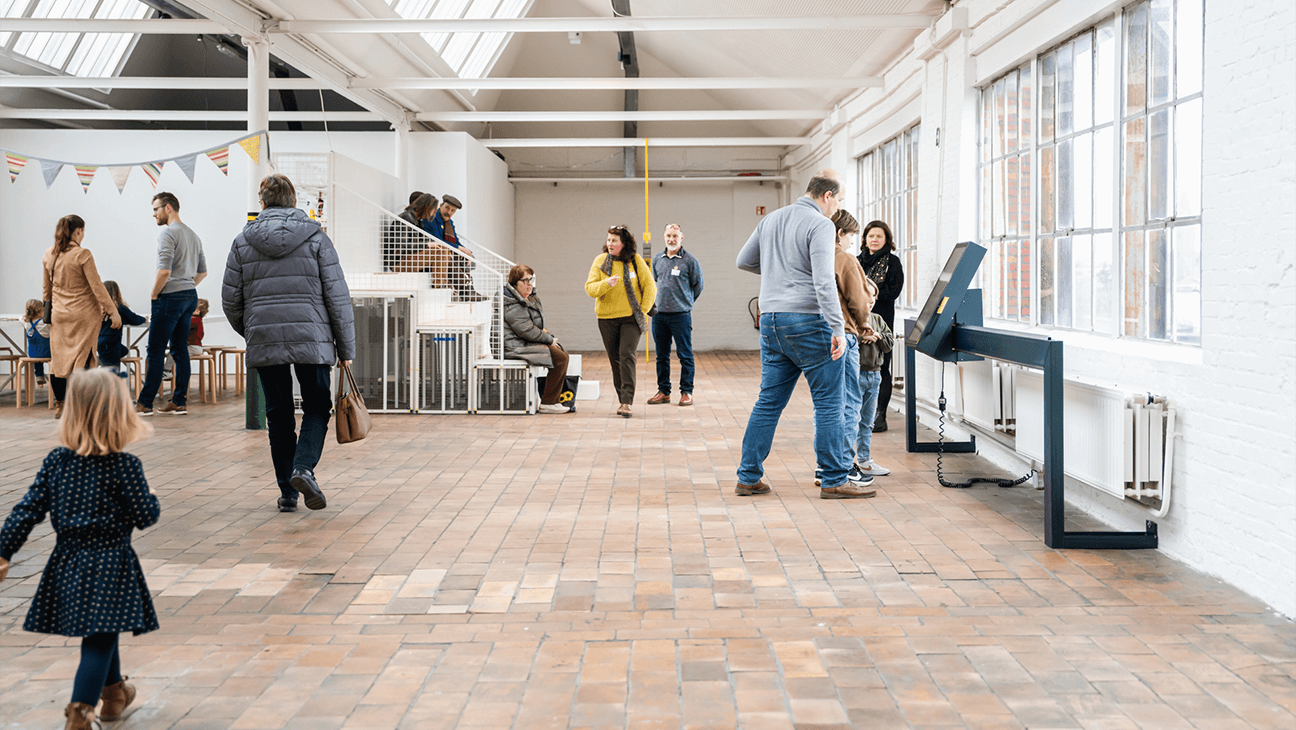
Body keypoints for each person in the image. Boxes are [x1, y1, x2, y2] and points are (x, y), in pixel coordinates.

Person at [0, 368, 158, 730]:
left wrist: (4, 550)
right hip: (111, 562)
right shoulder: (125, 466)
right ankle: (80, 712)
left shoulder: (57, 462)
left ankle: (115, 692)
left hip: (67, 561)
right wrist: (151, 499)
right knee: (100, 637)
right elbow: (145, 515)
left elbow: (28, 509)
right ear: (119, 414)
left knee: (103, 627)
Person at [734, 169, 874, 499]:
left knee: (768, 402)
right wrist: (837, 328)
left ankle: (748, 476)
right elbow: (824, 281)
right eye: (838, 200)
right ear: (826, 196)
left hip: (770, 321)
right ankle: (835, 479)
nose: (837, 208)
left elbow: (744, 261)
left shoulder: (771, 220)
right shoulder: (821, 224)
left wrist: (775, 270)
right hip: (810, 323)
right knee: (829, 403)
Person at [223, 174, 356, 513]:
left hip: (266, 339)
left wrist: (253, 330)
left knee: (278, 415)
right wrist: (346, 349)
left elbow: (230, 300)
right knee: (316, 407)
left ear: (263, 202)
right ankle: (303, 468)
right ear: (295, 202)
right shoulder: (316, 238)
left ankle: (287, 492)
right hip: (312, 338)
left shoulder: (242, 241)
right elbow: (337, 297)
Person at [812, 209, 875, 486]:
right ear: (841, 233)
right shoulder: (844, 258)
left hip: (817, 334)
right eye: (851, 236)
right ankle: (845, 466)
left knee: (825, 404)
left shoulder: (812, 256)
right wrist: (863, 326)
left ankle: (824, 467)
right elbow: (859, 301)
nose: (852, 242)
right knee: (849, 403)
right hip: (844, 334)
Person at [136, 192, 207, 417]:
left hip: (169, 297)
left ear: (168, 208)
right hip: (189, 296)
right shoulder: (193, 235)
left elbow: (164, 270)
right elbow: (203, 272)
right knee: (179, 350)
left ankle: (145, 403)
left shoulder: (168, 234)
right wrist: (186, 286)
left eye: (156, 209)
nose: (154, 214)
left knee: (155, 350)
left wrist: (154, 294)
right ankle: (179, 402)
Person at [43, 214, 120, 419]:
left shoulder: (49, 254)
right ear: (78, 231)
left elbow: (46, 290)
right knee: (83, 358)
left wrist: (48, 312)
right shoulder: (83, 254)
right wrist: (113, 311)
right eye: (83, 231)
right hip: (84, 315)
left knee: (58, 361)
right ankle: (81, 406)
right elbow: (97, 287)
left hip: (59, 315)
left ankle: (61, 404)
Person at [586, 225, 657, 418]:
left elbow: (650, 287)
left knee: (626, 355)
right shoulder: (600, 261)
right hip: (606, 318)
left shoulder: (635, 261)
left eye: (614, 240)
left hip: (630, 318)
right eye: (608, 240)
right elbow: (590, 288)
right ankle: (622, 398)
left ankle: (627, 402)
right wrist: (605, 284)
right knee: (614, 359)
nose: (610, 244)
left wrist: (641, 310)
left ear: (624, 243)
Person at [647, 223, 704, 407]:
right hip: (659, 315)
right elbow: (655, 281)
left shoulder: (690, 261)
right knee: (661, 356)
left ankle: (686, 392)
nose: (671, 239)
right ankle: (664, 391)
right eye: (668, 236)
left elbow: (698, 285)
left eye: (675, 236)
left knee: (685, 355)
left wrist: (685, 302)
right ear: (664, 237)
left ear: (681, 237)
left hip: (681, 315)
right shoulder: (657, 259)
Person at [503, 265, 570, 415]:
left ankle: (550, 399)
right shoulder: (511, 303)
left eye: (531, 279)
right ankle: (549, 402)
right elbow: (526, 330)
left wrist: (548, 337)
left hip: (525, 341)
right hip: (515, 345)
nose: (529, 284)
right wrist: (548, 339)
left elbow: (534, 326)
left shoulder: (528, 298)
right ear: (515, 283)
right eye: (525, 281)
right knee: (559, 357)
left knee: (562, 354)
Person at [857, 220, 904, 432]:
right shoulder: (857, 261)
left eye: (879, 236)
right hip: (857, 319)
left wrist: (869, 296)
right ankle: (858, 412)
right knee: (857, 366)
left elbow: (893, 292)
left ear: (886, 240)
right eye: (871, 236)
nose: (874, 240)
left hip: (881, 320)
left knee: (882, 366)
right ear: (865, 239)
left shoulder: (892, 262)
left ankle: (880, 415)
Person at [856, 276, 895, 479]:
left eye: (874, 296)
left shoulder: (878, 320)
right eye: (867, 295)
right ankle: (845, 463)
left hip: (875, 375)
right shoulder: (850, 320)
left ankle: (864, 460)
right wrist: (862, 338)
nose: (871, 301)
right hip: (855, 375)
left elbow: (889, 343)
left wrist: (878, 337)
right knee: (850, 419)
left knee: (867, 421)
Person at [427, 194, 486, 302]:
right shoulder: (432, 219)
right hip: (436, 253)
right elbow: (438, 241)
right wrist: (459, 248)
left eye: (452, 211)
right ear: (441, 205)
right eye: (447, 208)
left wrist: (465, 251)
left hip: (447, 251)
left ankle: (467, 289)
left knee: (469, 257)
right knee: (452, 258)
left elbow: (456, 241)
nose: (449, 212)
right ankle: (465, 289)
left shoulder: (449, 223)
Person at [98, 281, 147, 374]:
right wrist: (144, 319)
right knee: (113, 373)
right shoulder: (119, 308)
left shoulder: (99, 309)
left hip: (100, 343)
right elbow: (134, 319)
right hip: (112, 344)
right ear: (117, 292)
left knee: (124, 351)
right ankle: (112, 388)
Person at [385, 193, 439, 272]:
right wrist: (427, 244)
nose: (433, 213)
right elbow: (402, 246)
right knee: (440, 252)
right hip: (398, 262)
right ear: (426, 208)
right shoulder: (405, 218)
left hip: (410, 258)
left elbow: (423, 241)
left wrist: (432, 244)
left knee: (443, 250)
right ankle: (439, 284)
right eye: (433, 210)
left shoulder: (418, 222)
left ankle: (453, 283)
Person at [22, 298, 50, 386]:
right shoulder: (44, 324)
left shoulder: (26, 322)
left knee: (37, 358)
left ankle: (39, 375)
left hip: (32, 354)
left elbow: (21, 319)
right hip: (47, 353)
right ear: (40, 311)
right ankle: (57, 376)